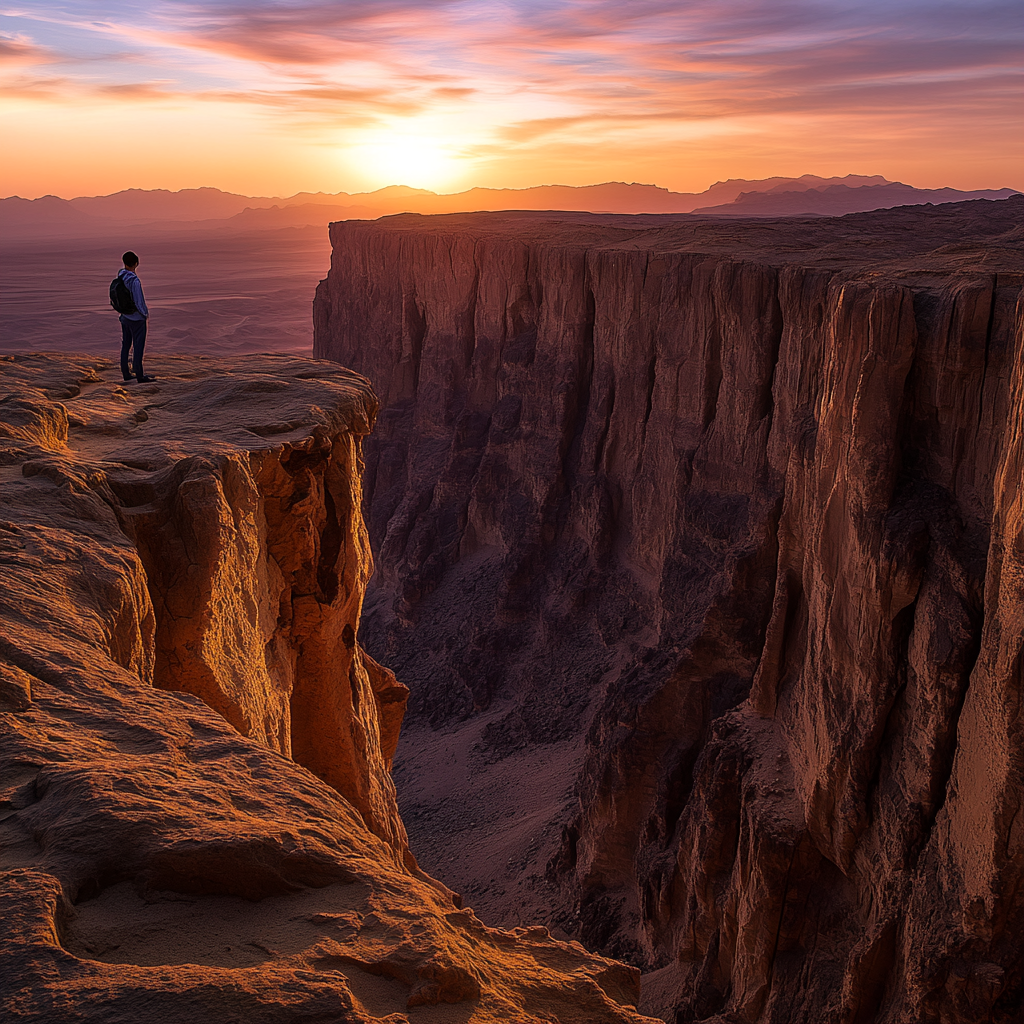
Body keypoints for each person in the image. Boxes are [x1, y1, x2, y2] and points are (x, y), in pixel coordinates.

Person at [117, 251, 155, 383]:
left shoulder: (120, 277)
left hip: (124, 317)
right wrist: (144, 314)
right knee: (138, 346)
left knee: (126, 345)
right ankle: (140, 375)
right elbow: (139, 301)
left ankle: (126, 373)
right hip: (136, 318)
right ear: (136, 263)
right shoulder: (134, 280)